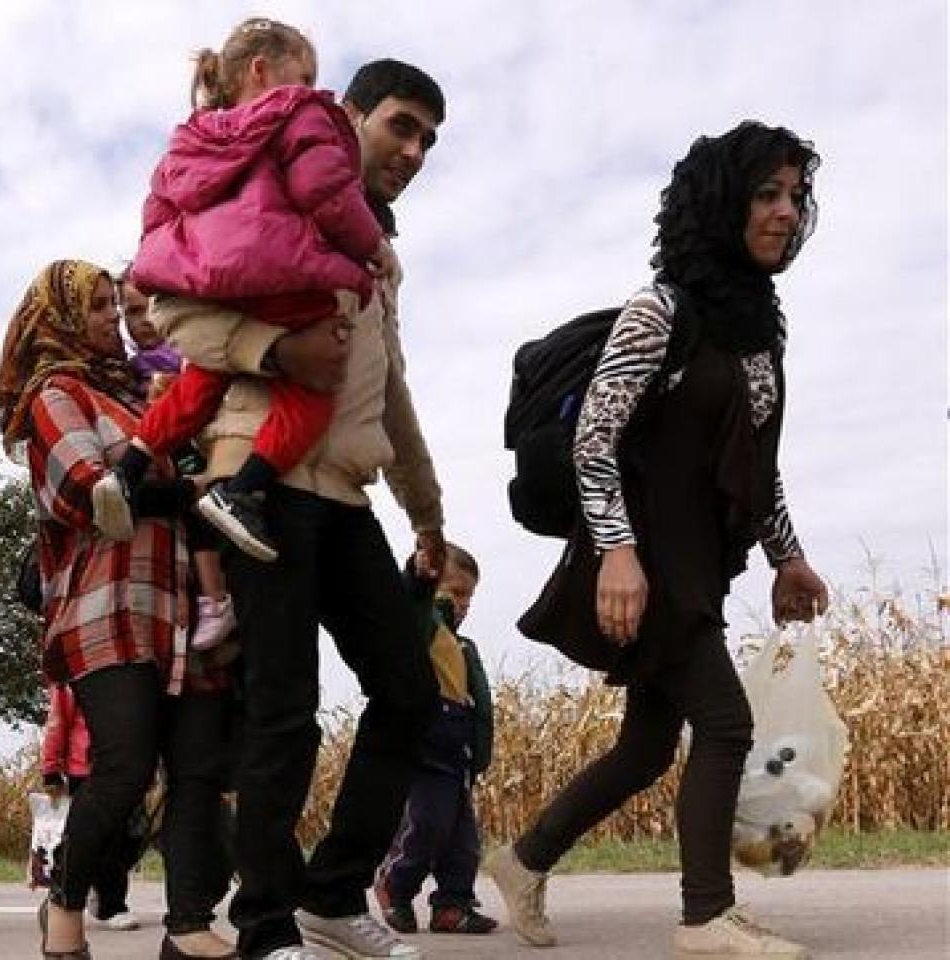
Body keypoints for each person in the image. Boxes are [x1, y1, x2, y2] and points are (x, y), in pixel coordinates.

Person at [488, 122, 830, 960]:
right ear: (720, 204)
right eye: (767, 194)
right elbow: (593, 441)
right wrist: (615, 550)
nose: (787, 211)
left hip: (701, 562)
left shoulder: (760, 333)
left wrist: (788, 553)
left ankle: (524, 860)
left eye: (795, 195)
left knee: (644, 749)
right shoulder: (660, 311)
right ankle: (706, 915)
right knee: (725, 723)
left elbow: (759, 467)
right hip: (646, 560)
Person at [152, 57, 452, 959]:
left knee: (408, 692)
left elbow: (390, 391)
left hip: (345, 497)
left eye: (430, 140)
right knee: (285, 707)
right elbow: (172, 316)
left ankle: (332, 893)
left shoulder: (376, 258)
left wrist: (429, 512)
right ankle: (264, 925)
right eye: (401, 125)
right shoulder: (261, 208)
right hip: (258, 480)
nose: (414, 149)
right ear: (344, 116)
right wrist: (277, 351)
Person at [0, 259, 236, 960]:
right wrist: (185, 493)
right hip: (107, 605)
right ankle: (65, 901)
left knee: (196, 767)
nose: (112, 317)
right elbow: (85, 492)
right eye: (97, 305)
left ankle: (188, 923)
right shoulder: (55, 394)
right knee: (125, 767)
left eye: (113, 303)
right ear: (59, 316)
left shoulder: (145, 391)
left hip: (183, 603)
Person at [96, 18, 385, 565]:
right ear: (262, 70)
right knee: (316, 386)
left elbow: (155, 221)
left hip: (213, 288)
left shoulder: (186, 143)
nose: (311, 86)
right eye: (305, 73)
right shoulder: (298, 112)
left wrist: (189, 269)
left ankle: (128, 469)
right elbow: (321, 189)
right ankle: (243, 489)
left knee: (201, 377)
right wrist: (370, 252)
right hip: (283, 275)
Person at [375, 544, 496, 936]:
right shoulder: (422, 629)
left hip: (458, 751)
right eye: (456, 592)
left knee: (464, 843)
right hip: (427, 748)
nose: (464, 604)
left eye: (469, 596)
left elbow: (479, 705)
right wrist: (428, 588)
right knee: (426, 824)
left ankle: (452, 905)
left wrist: (479, 751)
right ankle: (395, 885)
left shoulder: (463, 647)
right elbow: (411, 611)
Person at [118, 270, 237, 653]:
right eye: (132, 312)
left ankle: (218, 598)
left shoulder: (198, 350)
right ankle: (213, 598)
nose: (145, 322)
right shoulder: (127, 372)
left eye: (154, 308)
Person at [39, 682, 141, 932]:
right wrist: (51, 770)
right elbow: (57, 722)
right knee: (103, 841)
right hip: (86, 771)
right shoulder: (70, 682)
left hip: (125, 767)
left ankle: (99, 891)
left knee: (127, 841)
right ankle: (110, 905)